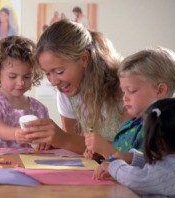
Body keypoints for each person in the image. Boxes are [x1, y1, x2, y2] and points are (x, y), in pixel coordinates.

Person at [21, 19, 127, 154]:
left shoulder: (125, 88)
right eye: (47, 73)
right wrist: (56, 142)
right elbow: (79, 148)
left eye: (59, 71)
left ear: (84, 59)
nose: (53, 82)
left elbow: (128, 152)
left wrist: (64, 140)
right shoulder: (66, 93)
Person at [84, 47, 175, 160]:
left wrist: (107, 151)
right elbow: (123, 152)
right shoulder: (131, 124)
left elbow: (145, 167)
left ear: (160, 90)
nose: (124, 98)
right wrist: (101, 155)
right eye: (123, 91)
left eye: (131, 91)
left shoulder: (162, 130)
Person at [93, 98, 175, 196]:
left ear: (160, 141)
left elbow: (138, 179)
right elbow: (160, 164)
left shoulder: (172, 170)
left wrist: (114, 167)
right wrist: (133, 158)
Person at [0, 35, 49, 148]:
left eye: (27, 76)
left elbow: (47, 138)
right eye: (12, 76)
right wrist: (15, 134)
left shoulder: (39, 109)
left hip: (30, 164)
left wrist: (46, 141)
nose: (20, 82)